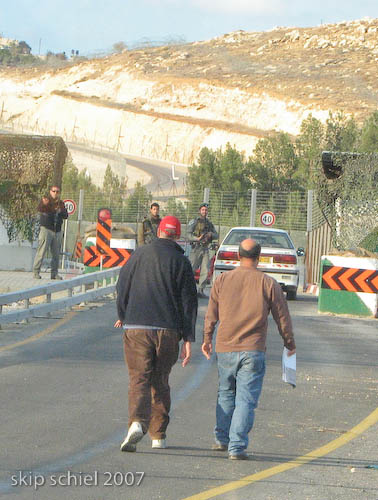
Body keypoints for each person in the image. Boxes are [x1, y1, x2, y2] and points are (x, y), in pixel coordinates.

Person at [202, 238, 296, 460]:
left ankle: (222, 439)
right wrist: (289, 343)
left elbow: (211, 313)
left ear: (237, 255)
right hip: (253, 349)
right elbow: (282, 317)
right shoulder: (268, 283)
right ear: (259, 256)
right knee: (245, 399)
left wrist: (207, 338)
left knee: (225, 392)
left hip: (225, 346)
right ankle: (236, 446)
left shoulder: (223, 280)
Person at [115, 215, 198, 452]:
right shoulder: (181, 263)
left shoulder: (139, 255)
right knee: (160, 380)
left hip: (137, 328)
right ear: (178, 236)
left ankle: (136, 423)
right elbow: (188, 302)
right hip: (169, 332)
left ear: (158, 231)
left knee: (139, 378)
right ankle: (158, 436)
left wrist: (123, 315)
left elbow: (122, 287)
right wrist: (188, 338)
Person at [33, 185, 68, 280]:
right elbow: (40, 209)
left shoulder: (61, 203)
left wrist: (60, 211)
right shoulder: (46, 201)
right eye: (54, 191)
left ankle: (54, 273)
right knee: (41, 252)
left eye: (57, 191)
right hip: (46, 230)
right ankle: (36, 272)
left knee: (56, 254)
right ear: (50, 191)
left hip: (57, 231)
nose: (55, 193)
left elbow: (66, 215)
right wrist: (46, 206)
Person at [187, 203, 218, 298]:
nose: (204, 212)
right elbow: (188, 234)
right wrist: (197, 238)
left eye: (206, 210)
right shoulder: (194, 222)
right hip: (196, 248)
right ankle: (189, 289)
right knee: (191, 269)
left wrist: (210, 235)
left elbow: (216, 235)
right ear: (199, 211)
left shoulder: (209, 223)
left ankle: (200, 290)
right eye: (203, 210)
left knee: (205, 269)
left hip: (205, 248)